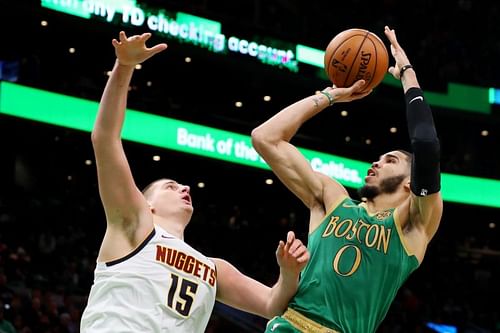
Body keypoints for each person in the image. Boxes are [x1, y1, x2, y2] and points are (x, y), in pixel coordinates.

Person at [80, 31, 310, 332]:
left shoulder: (214, 269)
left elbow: (272, 304)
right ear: (147, 204)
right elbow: (105, 138)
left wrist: (288, 272)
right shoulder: (133, 224)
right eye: (170, 186)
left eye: (181, 185)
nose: (184, 188)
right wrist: (124, 65)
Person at [251, 26, 443, 333]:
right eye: (378, 158)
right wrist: (329, 96)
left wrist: (406, 73)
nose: (375, 163)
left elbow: (426, 145)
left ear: (411, 182)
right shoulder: (330, 198)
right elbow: (265, 138)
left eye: (389, 160)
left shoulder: (413, 224)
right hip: (290, 325)